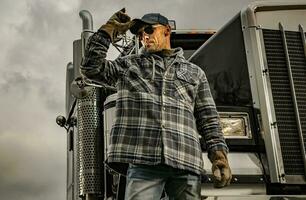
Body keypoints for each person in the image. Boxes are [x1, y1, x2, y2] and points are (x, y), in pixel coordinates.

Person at [80, 8, 231, 200]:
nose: (145, 36)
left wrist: (219, 157)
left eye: (149, 30)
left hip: (185, 161)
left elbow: (208, 118)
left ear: (167, 31)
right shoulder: (128, 65)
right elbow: (91, 68)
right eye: (141, 34)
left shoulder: (195, 73)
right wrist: (107, 31)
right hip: (143, 161)